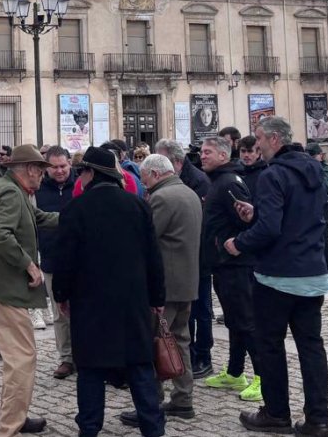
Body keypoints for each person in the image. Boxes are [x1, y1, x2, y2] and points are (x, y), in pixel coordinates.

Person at [226, 117, 328, 436]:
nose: (255, 145)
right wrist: (256, 211)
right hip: (312, 270)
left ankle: (276, 412)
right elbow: (298, 216)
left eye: (258, 138)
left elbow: (271, 229)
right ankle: (317, 419)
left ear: (274, 139)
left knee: (270, 344)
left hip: (278, 274)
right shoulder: (315, 171)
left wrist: (238, 243)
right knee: (311, 346)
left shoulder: (274, 174)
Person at [54, 147, 165, 437]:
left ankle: (89, 428)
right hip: (132, 301)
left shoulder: (75, 209)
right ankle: (153, 427)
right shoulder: (138, 206)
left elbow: (64, 260)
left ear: (90, 173)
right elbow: (154, 258)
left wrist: (61, 294)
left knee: (90, 369)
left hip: (90, 303)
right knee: (140, 366)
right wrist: (158, 299)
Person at [0, 144, 60, 436]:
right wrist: (30, 265)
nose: (43, 176)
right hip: (4, 290)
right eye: (40, 170)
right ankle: (9, 428)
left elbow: (35, 220)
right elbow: (0, 236)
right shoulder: (11, 192)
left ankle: (16, 416)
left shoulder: (13, 189)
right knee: (22, 359)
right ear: (28, 169)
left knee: (18, 358)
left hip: (1, 289)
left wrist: (74, 219)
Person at [119, 154, 200, 428]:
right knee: (180, 340)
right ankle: (183, 397)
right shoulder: (187, 192)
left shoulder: (163, 198)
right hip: (187, 281)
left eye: (144, 179)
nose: (143, 185)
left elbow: (147, 237)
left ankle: (151, 404)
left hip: (166, 284)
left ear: (154, 173)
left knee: (155, 342)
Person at [198, 135, 262, 403]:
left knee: (246, 322)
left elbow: (248, 223)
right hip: (222, 264)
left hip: (236, 264)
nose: (202, 156)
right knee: (234, 321)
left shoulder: (229, 183)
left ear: (223, 156)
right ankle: (236, 372)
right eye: (202, 151)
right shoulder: (219, 181)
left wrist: (230, 247)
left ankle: (263, 378)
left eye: (208, 152)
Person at [155, 138, 212, 379]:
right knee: (181, 331)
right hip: (187, 264)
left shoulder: (195, 182)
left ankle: (203, 357)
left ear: (176, 162)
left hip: (191, 262)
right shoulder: (181, 185)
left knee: (195, 315)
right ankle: (183, 387)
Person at [35, 146, 77, 379]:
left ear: (69, 164)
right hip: (52, 259)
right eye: (55, 167)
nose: (60, 171)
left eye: (63, 166)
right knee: (60, 313)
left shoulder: (80, 186)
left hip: (81, 260)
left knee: (82, 310)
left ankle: (86, 355)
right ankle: (66, 358)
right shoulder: (39, 190)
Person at [306, 143, 328, 281]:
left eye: (317, 155)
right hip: (311, 209)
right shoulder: (306, 168)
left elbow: (324, 185)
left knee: (326, 239)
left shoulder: (326, 168)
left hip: (325, 209)